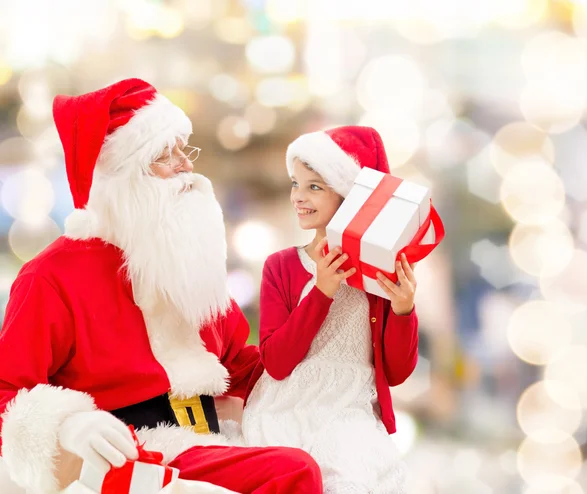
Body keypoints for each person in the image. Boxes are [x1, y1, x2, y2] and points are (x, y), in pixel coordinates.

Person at [0, 78, 322, 494]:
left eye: (182, 150)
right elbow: (7, 391)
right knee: (292, 472)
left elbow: (237, 363)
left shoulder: (185, 258)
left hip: (213, 436)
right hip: (138, 455)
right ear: (120, 177)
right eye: (162, 156)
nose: (185, 166)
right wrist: (69, 424)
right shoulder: (52, 276)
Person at [242, 126, 419, 493]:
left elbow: (398, 371)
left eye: (315, 187)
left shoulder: (380, 275)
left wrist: (403, 311)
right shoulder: (282, 266)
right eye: (295, 183)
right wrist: (321, 291)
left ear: (349, 198)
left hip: (352, 412)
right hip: (288, 408)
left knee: (354, 478)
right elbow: (275, 362)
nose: (298, 197)